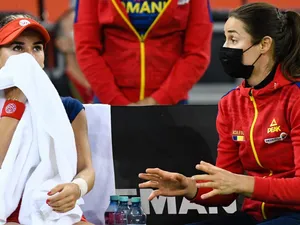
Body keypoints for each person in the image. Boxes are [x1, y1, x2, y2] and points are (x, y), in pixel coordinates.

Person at [139, 2, 300, 225]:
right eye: (224, 38)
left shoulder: (296, 97)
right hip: (254, 217)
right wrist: (190, 187)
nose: (225, 48)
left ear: (264, 44)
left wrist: (242, 183)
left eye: (233, 40)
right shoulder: (230, 103)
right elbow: (226, 191)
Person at [0, 14, 95, 225]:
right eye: (17, 48)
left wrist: (76, 187)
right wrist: (15, 102)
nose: (29, 57)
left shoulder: (68, 107)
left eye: (37, 48)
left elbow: (86, 169)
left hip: (52, 206)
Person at [74, 0, 213, 105]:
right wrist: (116, 101)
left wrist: (160, 99)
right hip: (109, 104)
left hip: (170, 106)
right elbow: (87, 49)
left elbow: (197, 53)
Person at [54, 8, 93, 103]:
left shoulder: (112, 84)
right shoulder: (54, 91)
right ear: (61, 44)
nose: (88, 33)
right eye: (77, 27)